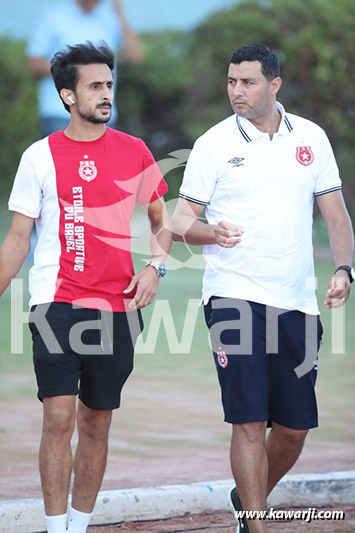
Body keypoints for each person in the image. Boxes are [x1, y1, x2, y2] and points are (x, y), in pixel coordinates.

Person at [172, 43, 354, 533]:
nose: (237, 91)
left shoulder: (311, 138)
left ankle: (246, 498)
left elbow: (335, 215)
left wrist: (343, 270)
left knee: (293, 431)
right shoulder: (213, 143)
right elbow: (180, 221)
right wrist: (213, 232)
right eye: (231, 81)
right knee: (249, 421)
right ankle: (255, 526)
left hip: (295, 300)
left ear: (274, 85)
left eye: (248, 82)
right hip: (232, 296)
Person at [0, 42, 170, 533]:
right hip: (56, 303)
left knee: (98, 422)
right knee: (58, 418)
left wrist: (156, 267)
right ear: (67, 96)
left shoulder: (134, 150)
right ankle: (57, 530)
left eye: (109, 84)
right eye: (95, 86)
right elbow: (17, 237)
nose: (106, 94)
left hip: (118, 308)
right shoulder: (39, 156)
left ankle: (79, 525)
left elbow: (161, 219)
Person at [26, 0, 143, 136]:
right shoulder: (53, 17)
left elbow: (135, 56)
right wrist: (75, 73)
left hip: (102, 113)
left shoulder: (110, 17)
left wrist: (119, 12)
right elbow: (33, 64)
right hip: (61, 113)